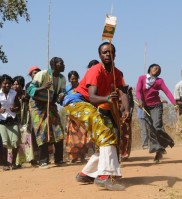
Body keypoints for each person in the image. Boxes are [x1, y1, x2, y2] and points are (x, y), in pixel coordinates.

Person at [63, 42, 129, 191]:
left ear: (115, 55)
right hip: (77, 102)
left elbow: (123, 93)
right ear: (100, 55)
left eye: (110, 52)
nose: (107, 54)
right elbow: (92, 98)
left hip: (91, 105)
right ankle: (103, 176)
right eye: (104, 52)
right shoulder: (95, 70)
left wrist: (126, 109)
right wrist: (107, 98)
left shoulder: (117, 73)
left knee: (108, 135)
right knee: (105, 133)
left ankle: (86, 174)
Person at [27, 57, 66, 169]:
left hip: (51, 104)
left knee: (58, 130)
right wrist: (43, 87)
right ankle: (43, 161)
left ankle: (59, 159)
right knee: (41, 130)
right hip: (37, 105)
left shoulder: (62, 78)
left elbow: (59, 97)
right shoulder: (42, 74)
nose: (64, 65)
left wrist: (61, 96)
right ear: (54, 65)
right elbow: (30, 90)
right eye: (61, 63)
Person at [136, 63, 176, 163]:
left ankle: (168, 141)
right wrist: (140, 100)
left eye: (159, 69)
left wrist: (175, 103)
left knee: (157, 126)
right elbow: (138, 91)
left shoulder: (159, 81)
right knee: (151, 129)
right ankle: (158, 150)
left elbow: (167, 92)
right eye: (155, 68)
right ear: (150, 68)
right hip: (145, 107)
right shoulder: (142, 78)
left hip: (156, 106)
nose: (157, 70)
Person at [64, 71, 90, 163]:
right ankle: (73, 156)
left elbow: (87, 97)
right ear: (69, 80)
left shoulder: (82, 87)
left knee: (82, 134)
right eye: (71, 79)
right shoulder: (66, 88)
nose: (73, 81)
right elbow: (62, 100)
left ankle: (82, 156)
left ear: (78, 78)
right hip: (71, 114)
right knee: (72, 135)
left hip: (81, 113)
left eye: (74, 79)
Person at [0, 74, 21, 170]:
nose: (7, 85)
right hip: (2, 121)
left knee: (15, 141)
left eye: (8, 83)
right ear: (1, 84)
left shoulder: (14, 93)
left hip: (13, 119)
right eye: (5, 83)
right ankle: (4, 163)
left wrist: (15, 108)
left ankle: (13, 163)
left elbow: (18, 106)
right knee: (4, 143)